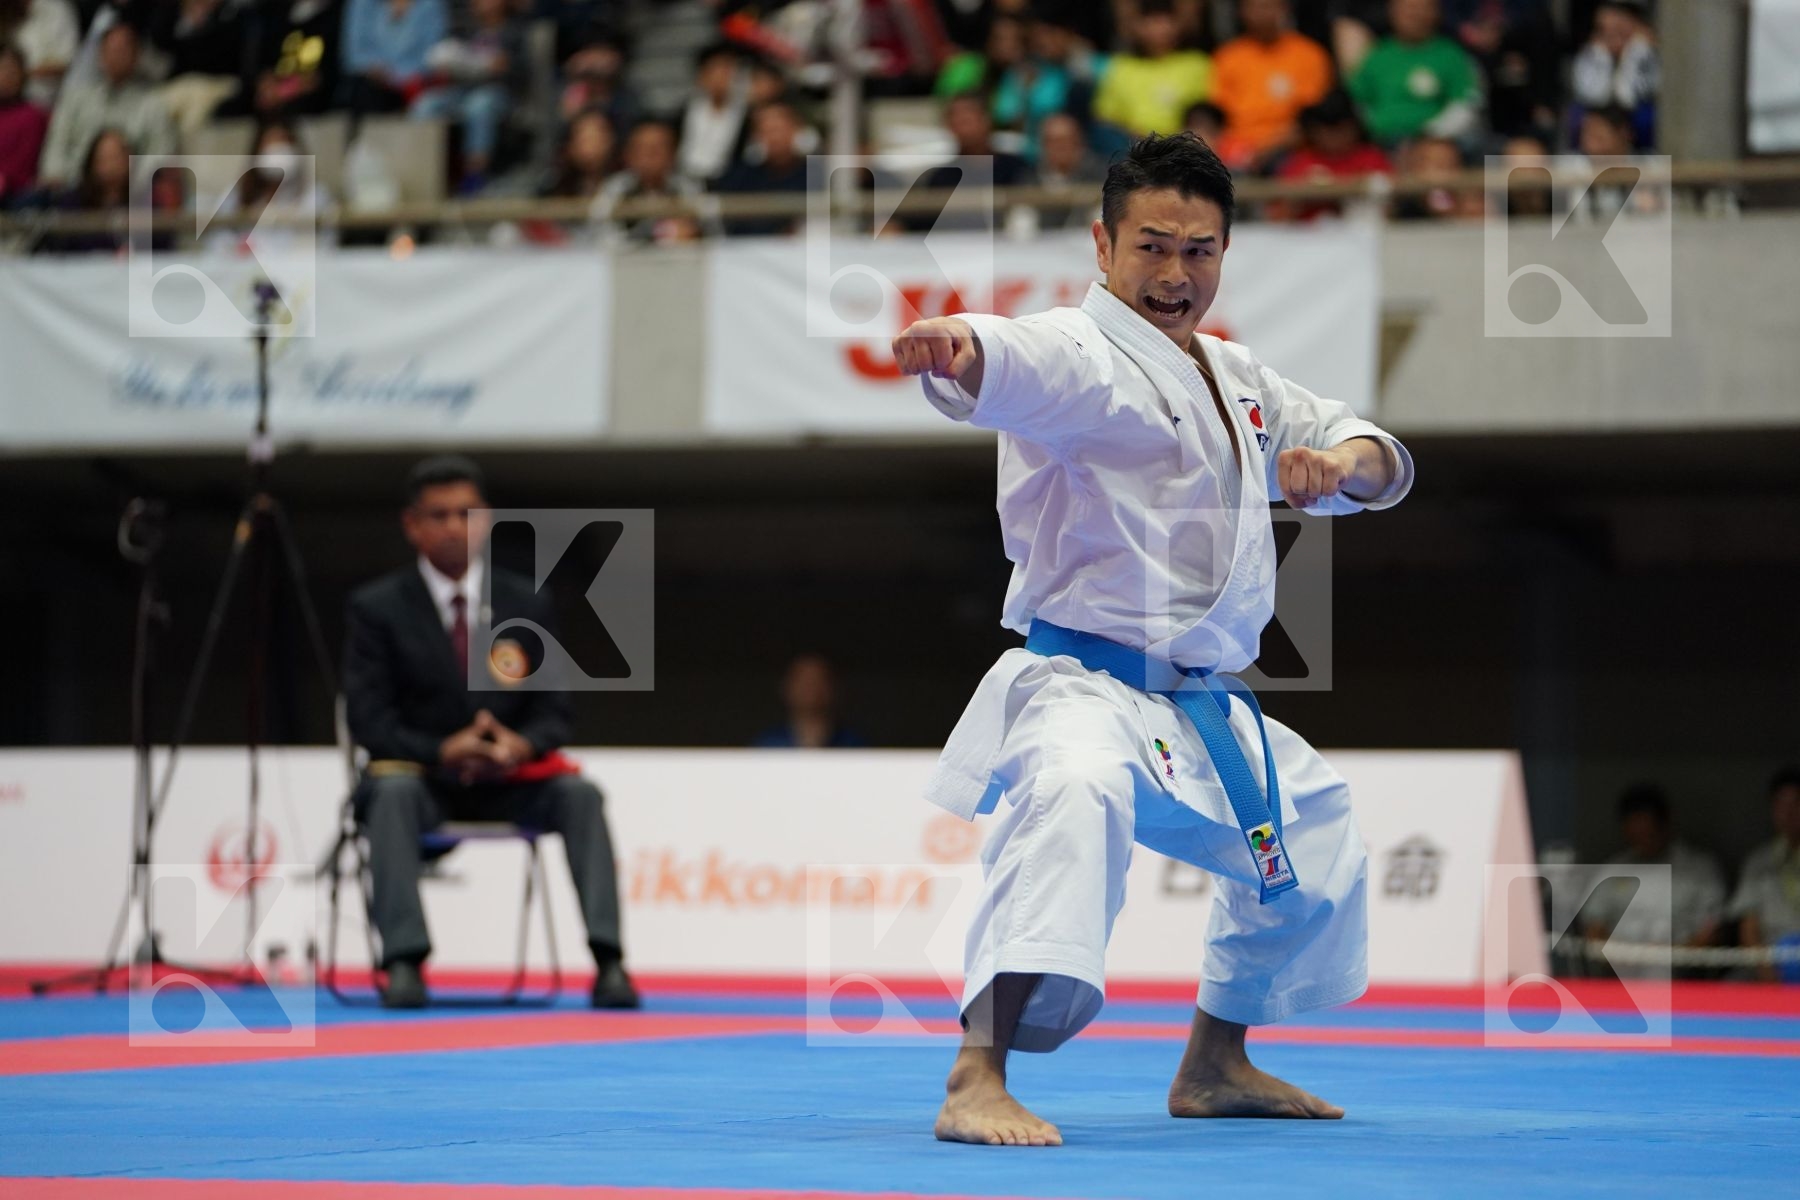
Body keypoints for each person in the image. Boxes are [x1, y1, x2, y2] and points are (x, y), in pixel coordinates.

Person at [892, 130, 1413, 1144]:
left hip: (1198, 700)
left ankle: (1215, 1062)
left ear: (1224, 252)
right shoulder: (1080, 355)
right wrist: (958, 351)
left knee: (1316, 822)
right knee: (1073, 796)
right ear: (1102, 243)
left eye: (1200, 250)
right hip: (1081, 684)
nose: (1176, 275)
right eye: (1152, 247)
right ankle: (974, 1074)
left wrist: (1339, 464)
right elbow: (1008, 360)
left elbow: (1373, 451)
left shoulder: (1236, 377)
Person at [343, 456, 638, 1011]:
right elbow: (369, 720)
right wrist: (441, 750)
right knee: (391, 796)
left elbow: (555, 712)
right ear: (413, 525)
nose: (455, 525)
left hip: (510, 778)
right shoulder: (377, 608)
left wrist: (517, 745)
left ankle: (610, 961)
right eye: (440, 515)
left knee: (580, 796)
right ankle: (404, 961)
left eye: (466, 513)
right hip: (423, 781)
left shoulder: (525, 601)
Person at [1581, 784, 1727, 975]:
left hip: (1682, 976)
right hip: (1621, 975)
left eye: (1648, 833)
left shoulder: (1699, 869)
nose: (1642, 841)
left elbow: (1712, 931)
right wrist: (1621, 958)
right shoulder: (1612, 869)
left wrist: (1668, 957)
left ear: (1665, 825)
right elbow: (1594, 929)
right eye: (1635, 835)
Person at [36, 22, 174, 188]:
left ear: (136, 56)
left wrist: (128, 180)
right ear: (100, 55)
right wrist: (57, 176)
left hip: (131, 192)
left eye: (123, 51)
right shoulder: (75, 99)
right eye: (111, 50)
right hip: (75, 189)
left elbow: (161, 154)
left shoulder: (153, 104)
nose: (116, 56)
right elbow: (57, 144)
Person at [410, 0, 526, 193]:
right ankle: (423, 170)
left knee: (479, 105)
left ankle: (474, 174)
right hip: (462, 90)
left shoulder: (515, 31)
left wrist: (503, 65)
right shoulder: (465, 29)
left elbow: (523, 71)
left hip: (499, 92)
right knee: (426, 104)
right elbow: (448, 55)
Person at [1209, 0, 1333, 170]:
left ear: (1285, 8)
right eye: (1254, 7)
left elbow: (1310, 120)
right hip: (1236, 150)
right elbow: (1217, 116)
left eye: (1269, 6)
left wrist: (1267, 149)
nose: (1262, 13)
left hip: (1290, 149)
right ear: (1242, 11)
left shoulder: (1310, 54)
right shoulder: (1227, 57)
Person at [1346, 0, 1482, 147]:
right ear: (1392, 12)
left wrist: (1431, 134)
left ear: (1436, 12)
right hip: (1383, 142)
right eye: (1408, 8)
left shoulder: (1451, 55)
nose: (1415, 14)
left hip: (1439, 141)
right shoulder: (1377, 55)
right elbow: (1359, 101)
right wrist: (1376, 129)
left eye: (1422, 8)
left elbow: (1465, 104)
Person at [1092, 0, 1212, 138]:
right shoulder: (1120, 67)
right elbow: (1105, 118)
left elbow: (1207, 114)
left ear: (1178, 25)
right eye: (1151, 22)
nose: (1159, 29)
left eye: (1165, 21)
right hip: (1133, 148)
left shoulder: (1197, 64)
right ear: (1136, 26)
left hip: (1187, 146)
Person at [1269, 90, 1392, 222]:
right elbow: (1278, 218)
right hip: (1308, 238)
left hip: (1362, 235)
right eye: (1327, 131)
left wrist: (1351, 191)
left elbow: (1391, 210)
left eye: (1341, 130)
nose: (1335, 138)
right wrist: (1300, 198)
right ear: (1314, 131)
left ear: (1355, 129)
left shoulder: (1372, 159)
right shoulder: (1300, 162)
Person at [1729, 767, 1800, 983]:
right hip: (1770, 963)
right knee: (1731, 987)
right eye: (1781, 804)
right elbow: (1748, 926)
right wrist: (1768, 974)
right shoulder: (1758, 862)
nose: (1789, 813)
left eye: (1796, 803)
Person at [711, 98, 811, 236]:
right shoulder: (740, 177)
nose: (775, 137)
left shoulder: (816, 173)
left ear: (796, 129)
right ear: (757, 135)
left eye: (780, 129)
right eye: (768, 130)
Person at [1570, 0, 1657, 149]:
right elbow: (1592, 95)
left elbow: (1627, 96)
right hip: (1601, 113)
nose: (1613, 37)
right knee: (1578, 117)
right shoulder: (1592, 53)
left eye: (1620, 30)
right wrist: (1601, 58)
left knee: (1646, 117)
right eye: (1605, 31)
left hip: (1634, 115)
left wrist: (1635, 53)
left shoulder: (1646, 53)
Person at [341, 0, 447, 118]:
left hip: (414, 87)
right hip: (372, 86)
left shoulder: (430, 5)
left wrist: (395, 78)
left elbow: (432, 57)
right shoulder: (362, 3)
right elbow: (354, 55)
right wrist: (377, 70)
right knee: (364, 92)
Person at [753, 653, 868, 749]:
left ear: (833, 688)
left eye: (818, 681)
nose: (811, 689)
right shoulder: (768, 744)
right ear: (787, 687)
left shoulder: (853, 743)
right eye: (803, 682)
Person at [675, 41, 746, 184]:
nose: (720, 78)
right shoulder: (684, 111)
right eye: (714, 71)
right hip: (685, 180)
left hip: (730, 183)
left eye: (726, 71)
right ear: (701, 76)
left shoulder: (746, 115)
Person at [0, 44, 50, 201]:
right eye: (2, 69)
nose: (7, 76)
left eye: (12, 70)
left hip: (16, 193)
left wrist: (4, 179)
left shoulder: (33, 116)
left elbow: (24, 165)